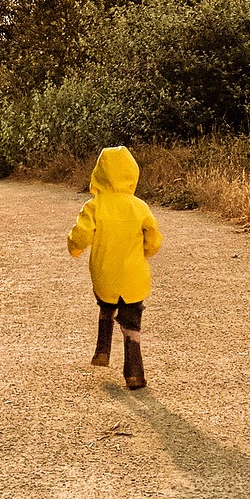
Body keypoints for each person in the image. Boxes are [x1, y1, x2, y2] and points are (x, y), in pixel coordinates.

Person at [67, 146, 162, 390]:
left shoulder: (95, 206)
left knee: (106, 306)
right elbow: (153, 237)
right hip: (134, 276)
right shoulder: (139, 207)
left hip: (104, 273)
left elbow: (81, 234)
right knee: (132, 324)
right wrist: (147, 252)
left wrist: (74, 248)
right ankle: (134, 373)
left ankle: (102, 350)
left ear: (99, 174)